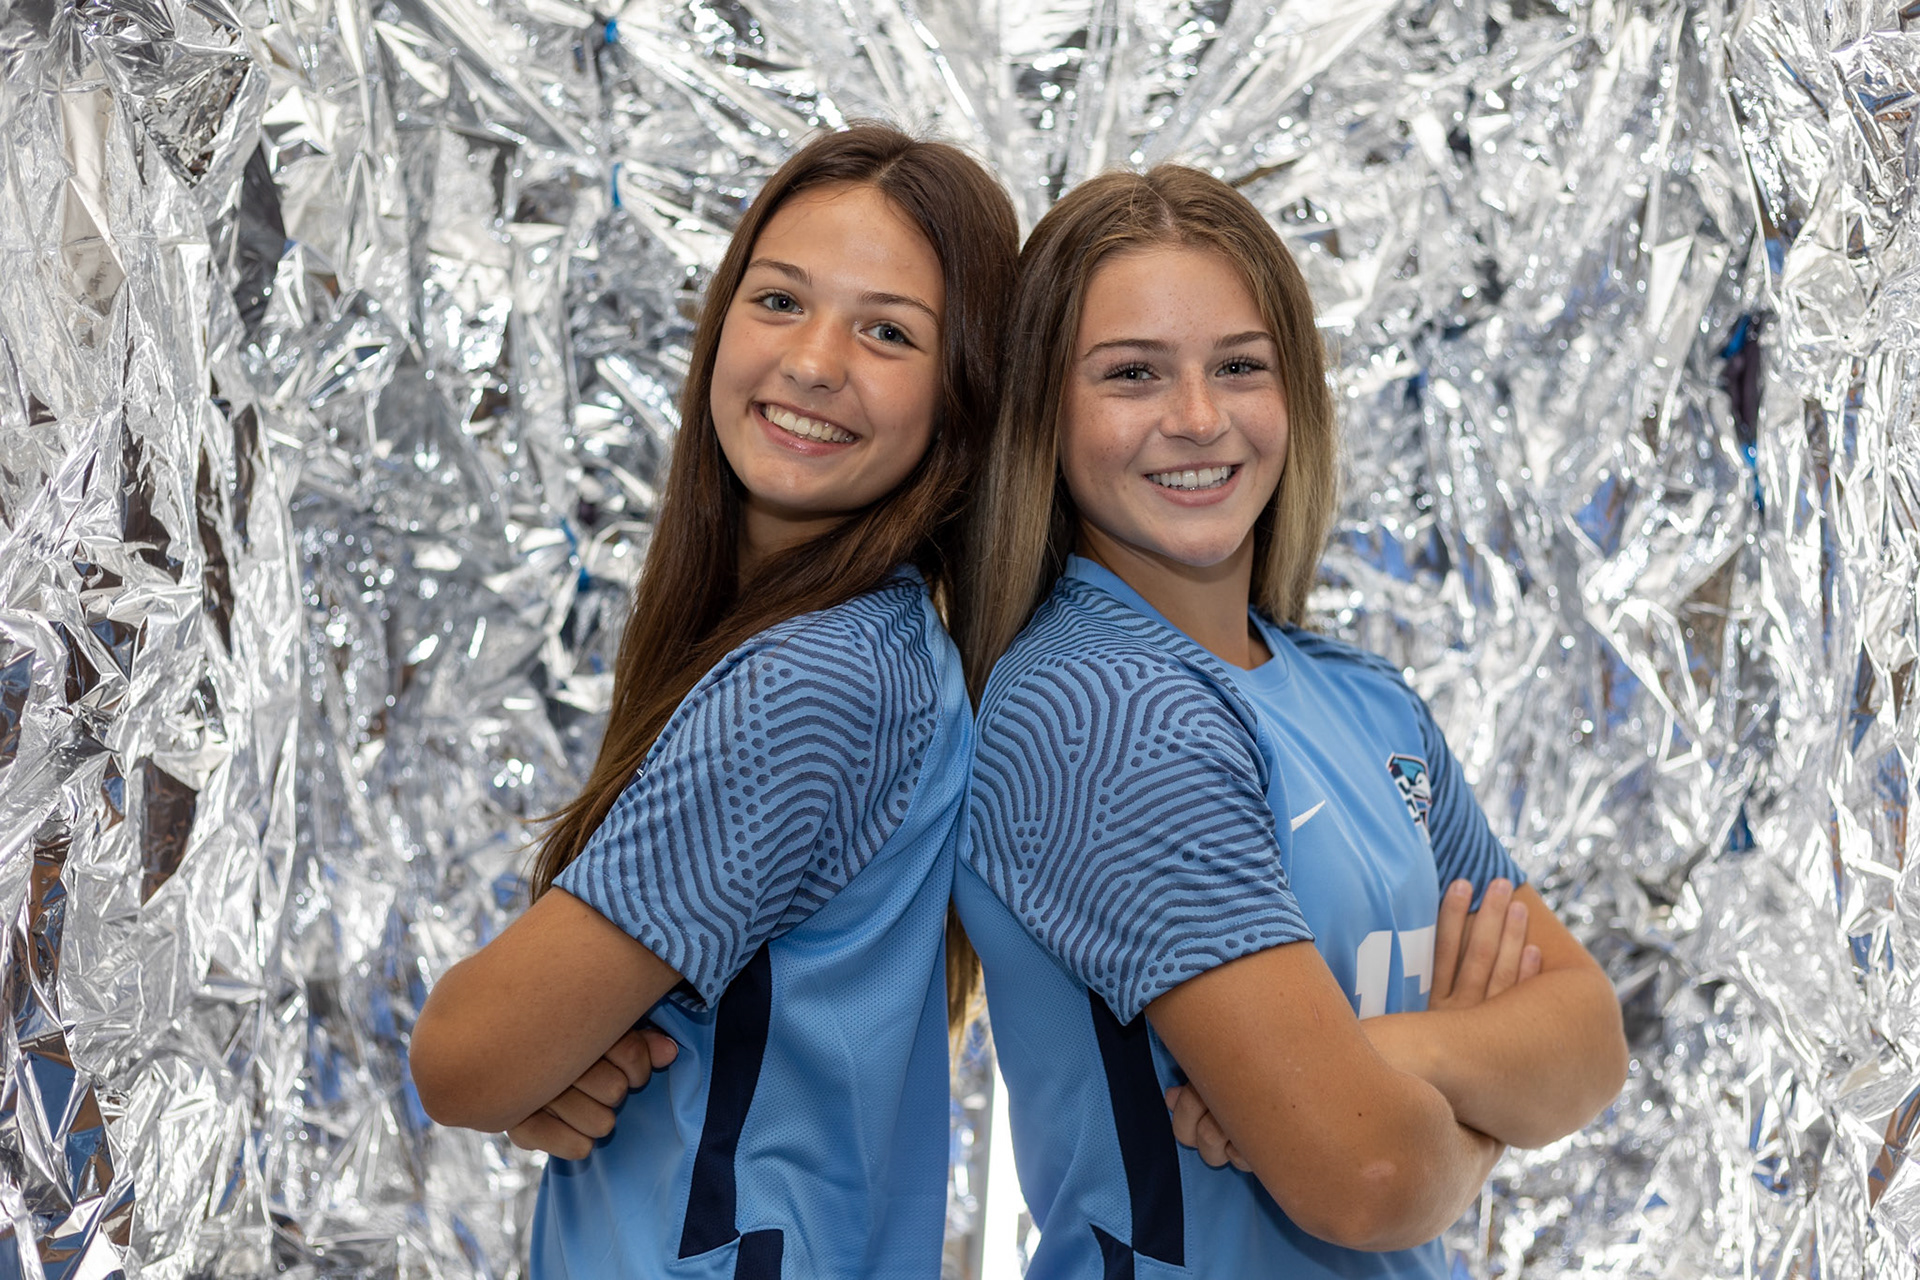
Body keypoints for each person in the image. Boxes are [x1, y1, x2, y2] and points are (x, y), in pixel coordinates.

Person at [955, 165, 1628, 1278]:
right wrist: (1471, 1101)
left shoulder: (1367, 700)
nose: (1198, 418)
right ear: (1044, 408)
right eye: (1133, 373)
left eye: (1239, 366)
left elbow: (1591, 1039)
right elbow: (1364, 1177)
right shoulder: (1097, 710)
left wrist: (1381, 1059)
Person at [408, 123, 1019, 1278]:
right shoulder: (876, 647)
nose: (815, 360)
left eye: (889, 331)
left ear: (964, 396)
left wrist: (525, 1064)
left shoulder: (814, 684)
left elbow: (461, 1055)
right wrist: (558, 1071)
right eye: (781, 300)